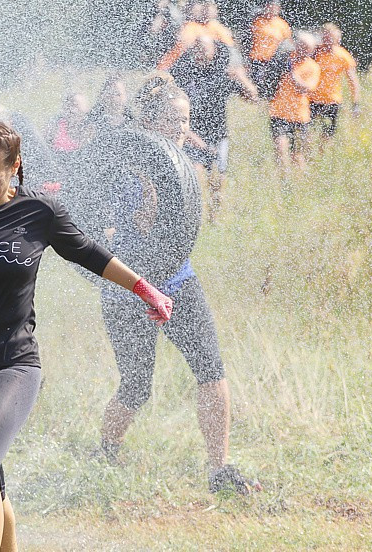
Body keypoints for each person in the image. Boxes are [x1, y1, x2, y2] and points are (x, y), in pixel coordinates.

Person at [0, 119, 174, 551]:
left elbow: (88, 252)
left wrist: (144, 288)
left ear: (15, 166)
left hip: (11, 364)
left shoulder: (39, 211)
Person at [95, 74, 261, 495]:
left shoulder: (182, 164)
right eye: (174, 120)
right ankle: (105, 453)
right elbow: (117, 233)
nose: (183, 129)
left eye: (187, 120)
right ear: (150, 124)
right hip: (128, 291)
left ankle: (219, 470)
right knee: (136, 386)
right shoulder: (125, 167)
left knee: (211, 369)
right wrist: (145, 206)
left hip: (177, 281)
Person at [171, 36, 258, 221]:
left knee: (218, 177)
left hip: (218, 135)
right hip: (192, 134)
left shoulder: (222, 73)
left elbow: (253, 97)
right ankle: (195, 217)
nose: (200, 52)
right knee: (196, 175)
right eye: (197, 48)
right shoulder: (185, 72)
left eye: (204, 49)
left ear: (213, 51)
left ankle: (214, 216)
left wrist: (241, 77)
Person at [268, 32, 321, 173]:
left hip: (299, 116)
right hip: (278, 112)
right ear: (296, 45)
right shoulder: (284, 59)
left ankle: (299, 185)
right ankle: (284, 181)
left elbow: (304, 89)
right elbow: (269, 78)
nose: (303, 50)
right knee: (280, 148)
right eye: (301, 45)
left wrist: (292, 73)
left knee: (297, 154)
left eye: (307, 47)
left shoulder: (313, 67)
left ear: (312, 50)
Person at [309, 23, 361, 145]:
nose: (329, 41)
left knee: (327, 135)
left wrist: (356, 103)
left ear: (338, 39)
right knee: (307, 133)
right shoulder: (315, 52)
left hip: (332, 100)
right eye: (326, 38)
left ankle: (322, 158)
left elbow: (353, 81)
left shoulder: (343, 55)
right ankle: (308, 158)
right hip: (311, 99)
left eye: (332, 38)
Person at [247, 1, 292, 99]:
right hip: (256, 58)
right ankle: (255, 98)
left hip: (273, 59)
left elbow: (288, 43)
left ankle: (268, 98)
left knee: (271, 81)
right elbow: (247, 39)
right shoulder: (257, 21)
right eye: (270, 7)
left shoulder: (282, 24)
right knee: (256, 81)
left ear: (278, 9)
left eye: (274, 7)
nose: (271, 9)